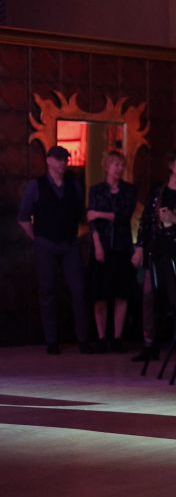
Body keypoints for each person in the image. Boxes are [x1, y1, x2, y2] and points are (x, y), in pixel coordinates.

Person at [17, 145, 92, 355]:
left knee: (78, 290)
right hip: (46, 244)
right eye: (58, 159)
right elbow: (23, 217)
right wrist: (37, 238)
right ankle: (52, 340)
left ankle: (83, 339)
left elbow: (80, 214)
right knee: (47, 292)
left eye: (65, 159)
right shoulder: (37, 185)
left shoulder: (74, 185)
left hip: (69, 243)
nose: (62, 163)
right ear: (49, 161)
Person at [130, 148, 176, 362]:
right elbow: (146, 220)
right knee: (150, 296)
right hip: (157, 249)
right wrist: (140, 247)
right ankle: (150, 344)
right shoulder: (157, 190)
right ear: (171, 165)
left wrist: (175, 220)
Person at [87, 150, 138, 353]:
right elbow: (91, 223)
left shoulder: (129, 190)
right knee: (99, 294)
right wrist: (97, 244)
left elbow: (123, 216)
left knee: (121, 293)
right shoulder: (96, 190)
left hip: (122, 246)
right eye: (115, 164)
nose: (119, 168)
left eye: (121, 165)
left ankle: (117, 337)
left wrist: (99, 213)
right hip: (102, 246)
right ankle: (101, 337)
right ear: (107, 166)